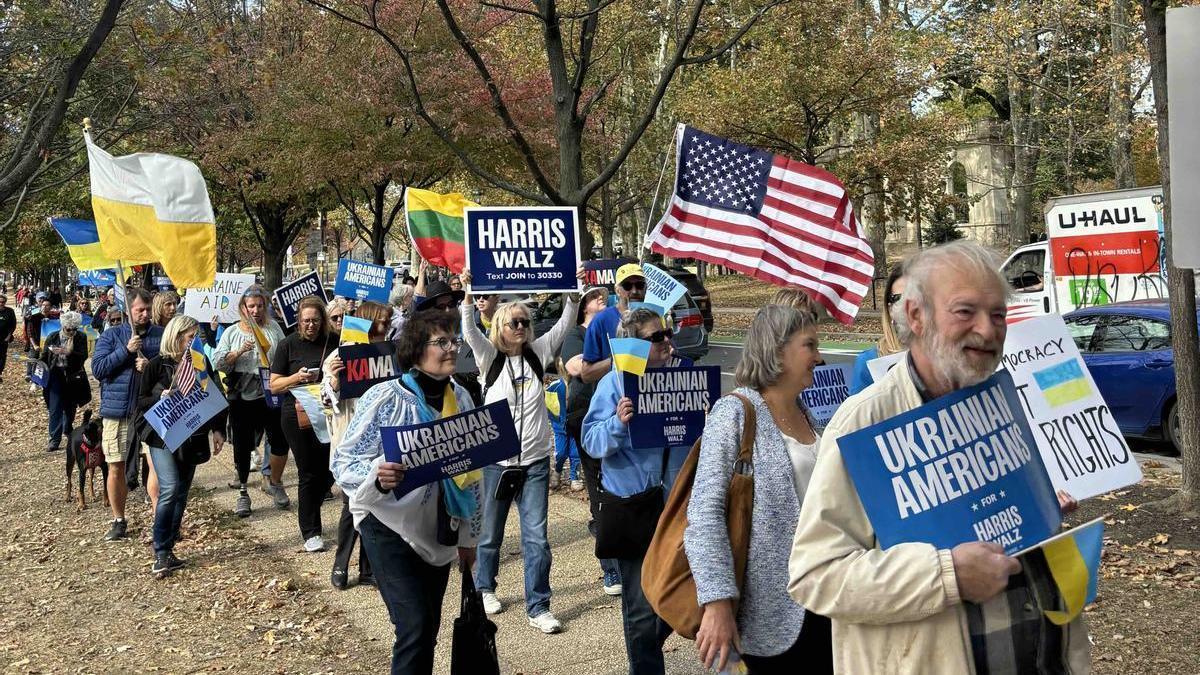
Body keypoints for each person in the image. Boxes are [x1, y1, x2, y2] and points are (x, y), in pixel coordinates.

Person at [787, 241, 1089, 674]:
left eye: (998, 314)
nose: (988, 331)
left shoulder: (1013, 401)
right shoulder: (864, 422)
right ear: (916, 316)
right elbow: (816, 575)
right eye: (965, 312)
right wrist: (945, 575)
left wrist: (1039, 508)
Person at [331, 310, 480, 674]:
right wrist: (377, 476)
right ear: (416, 350)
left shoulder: (461, 398)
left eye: (453, 341)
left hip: (438, 526)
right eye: (440, 342)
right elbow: (343, 462)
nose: (450, 349)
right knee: (413, 625)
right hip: (386, 526)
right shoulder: (385, 398)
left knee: (428, 627)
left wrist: (471, 535)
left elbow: (473, 472)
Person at [685, 305, 832, 673]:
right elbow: (704, 513)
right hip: (768, 614)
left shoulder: (808, 415)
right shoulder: (735, 413)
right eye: (809, 345)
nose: (819, 356)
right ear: (778, 350)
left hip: (825, 597)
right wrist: (717, 602)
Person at [460, 269, 580, 634]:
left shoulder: (537, 353)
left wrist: (571, 294)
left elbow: (562, 325)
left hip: (535, 461)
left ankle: (539, 604)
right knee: (491, 533)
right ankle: (485, 587)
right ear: (501, 325)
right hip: (497, 462)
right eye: (515, 322)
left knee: (537, 538)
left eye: (526, 322)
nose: (522, 327)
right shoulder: (488, 357)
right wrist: (468, 289)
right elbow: (468, 328)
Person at [583, 307, 694, 675]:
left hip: (679, 509)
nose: (667, 341)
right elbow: (591, 441)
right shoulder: (614, 384)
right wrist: (617, 422)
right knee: (641, 611)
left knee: (686, 597)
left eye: (667, 333)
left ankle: (645, 643)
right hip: (634, 509)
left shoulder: (686, 377)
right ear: (633, 345)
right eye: (656, 337)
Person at [137, 315, 227, 577]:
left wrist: (218, 428)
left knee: (182, 493)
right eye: (190, 337)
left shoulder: (200, 363)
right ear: (176, 338)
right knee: (170, 488)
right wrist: (158, 397)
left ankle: (170, 542)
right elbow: (140, 402)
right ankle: (161, 551)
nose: (195, 341)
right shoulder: (156, 366)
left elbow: (215, 395)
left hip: (192, 436)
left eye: (196, 336)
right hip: (161, 437)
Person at [322, 300, 392, 589]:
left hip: (381, 442)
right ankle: (340, 565)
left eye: (390, 323)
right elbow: (326, 401)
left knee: (375, 505)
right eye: (384, 322)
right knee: (351, 505)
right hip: (352, 441)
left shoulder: (391, 354)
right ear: (371, 321)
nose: (388, 327)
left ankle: (368, 568)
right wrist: (335, 382)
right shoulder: (341, 355)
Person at [559, 284, 620, 594]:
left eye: (605, 295)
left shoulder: (620, 327)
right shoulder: (576, 336)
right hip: (587, 420)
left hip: (621, 421)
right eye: (596, 296)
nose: (602, 298)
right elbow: (579, 370)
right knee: (600, 495)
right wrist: (623, 357)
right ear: (584, 305)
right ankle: (611, 569)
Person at [91, 288, 163, 541]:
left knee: (155, 465)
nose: (145, 314)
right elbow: (98, 369)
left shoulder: (161, 336)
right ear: (128, 311)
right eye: (139, 310)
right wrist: (126, 350)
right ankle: (119, 519)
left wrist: (151, 366)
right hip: (118, 412)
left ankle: (159, 521)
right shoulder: (112, 336)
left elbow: (172, 371)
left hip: (152, 412)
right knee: (116, 466)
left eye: (147, 309)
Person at [213, 285, 290, 517]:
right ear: (243, 308)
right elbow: (218, 363)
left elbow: (285, 354)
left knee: (278, 439)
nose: (255, 310)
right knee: (243, 444)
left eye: (259, 306)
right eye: (251, 306)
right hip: (242, 395)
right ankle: (244, 492)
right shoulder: (232, 332)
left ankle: (274, 482)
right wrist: (238, 352)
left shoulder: (274, 328)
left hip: (271, 391)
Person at [269, 295, 337, 551]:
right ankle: (311, 532)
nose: (311, 326)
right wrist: (296, 377)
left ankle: (312, 503)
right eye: (306, 321)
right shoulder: (287, 345)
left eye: (316, 321)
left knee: (330, 468)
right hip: (296, 414)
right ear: (298, 321)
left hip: (329, 412)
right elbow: (274, 385)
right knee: (308, 472)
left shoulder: (334, 342)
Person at [580, 263, 646, 383]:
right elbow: (586, 374)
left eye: (640, 285)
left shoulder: (655, 317)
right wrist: (619, 359)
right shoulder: (601, 320)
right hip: (616, 397)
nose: (635, 290)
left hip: (649, 395)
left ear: (646, 288)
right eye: (627, 286)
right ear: (617, 290)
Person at [848, 263, 907, 394]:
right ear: (889, 308)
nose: (910, 306)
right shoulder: (869, 361)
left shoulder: (951, 356)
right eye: (900, 299)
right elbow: (859, 413)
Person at [39, 311, 89, 453]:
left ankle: (67, 428)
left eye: (75, 329)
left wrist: (70, 353)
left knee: (70, 407)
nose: (72, 332)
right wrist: (39, 371)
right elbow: (44, 357)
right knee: (55, 408)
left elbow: (83, 356)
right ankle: (54, 439)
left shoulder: (80, 337)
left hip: (73, 376)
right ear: (63, 326)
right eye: (69, 329)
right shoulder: (53, 337)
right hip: (55, 375)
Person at [0, 294, 17, 381]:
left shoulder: (10, 311)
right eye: (0, 302)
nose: (1, 303)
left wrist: (9, 336)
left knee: (2, 356)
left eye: (3, 302)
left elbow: (13, 325)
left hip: (4, 338)